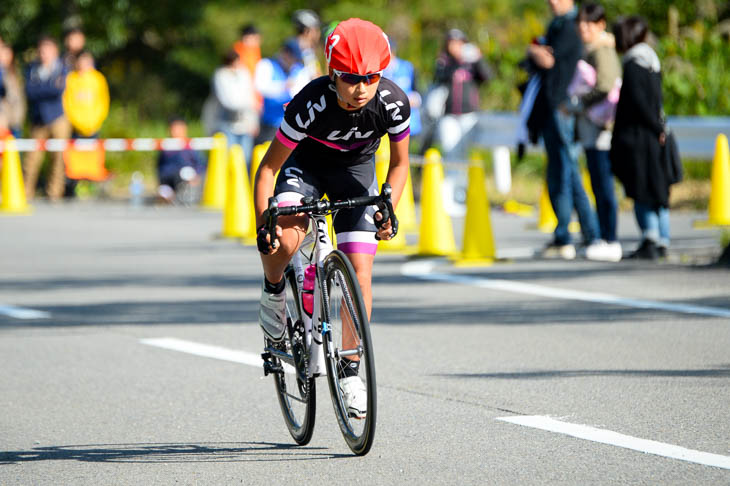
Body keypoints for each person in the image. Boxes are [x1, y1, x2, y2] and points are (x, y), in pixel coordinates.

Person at [253, 18, 410, 417]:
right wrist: (263, 226)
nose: (361, 89)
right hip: (303, 169)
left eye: (371, 78)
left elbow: (400, 163)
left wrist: (388, 204)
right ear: (332, 74)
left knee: (360, 273)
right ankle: (273, 293)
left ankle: (351, 371)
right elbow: (268, 171)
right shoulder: (310, 103)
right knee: (287, 240)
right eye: (351, 79)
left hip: (354, 174)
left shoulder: (392, 102)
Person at [527, 0, 605, 261]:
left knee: (568, 173)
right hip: (552, 109)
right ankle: (565, 235)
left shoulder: (570, 26)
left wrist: (538, 53)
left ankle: (591, 234)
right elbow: (542, 59)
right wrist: (537, 53)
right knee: (558, 174)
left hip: (562, 109)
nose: (551, 1)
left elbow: (551, 61)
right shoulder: (557, 24)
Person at [610, 16, 669, 260]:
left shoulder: (633, 64)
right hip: (653, 135)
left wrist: (654, 127)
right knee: (658, 189)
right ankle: (663, 239)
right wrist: (660, 128)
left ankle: (650, 239)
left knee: (641, 189)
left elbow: (639, 103)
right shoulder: (652, 61)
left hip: (637, 137)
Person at [571, 2, 623, 262]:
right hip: (593, 125)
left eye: (588, 23)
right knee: (598, 182)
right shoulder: (591, 48)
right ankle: (603, 237)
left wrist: (579, 103)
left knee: (603, 184)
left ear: (600, 24)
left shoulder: (602, 49)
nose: (583, 28)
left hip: (602, 125)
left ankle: (610, 239)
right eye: (581, 23)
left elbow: (605, 84)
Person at [432, 28, 493, 161]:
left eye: (459, 43)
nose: (456, 46)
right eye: (452, 43)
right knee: (450, 151)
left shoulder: (472, 62)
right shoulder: (443, 61)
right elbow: (438, 78)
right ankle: (452, 180)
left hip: (469, 114)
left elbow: (488, 77)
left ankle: (462, 180)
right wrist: (457, 61)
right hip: (448, 114)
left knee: (465, 152)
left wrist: (478, 58)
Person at [24, 35, 71, 201]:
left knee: (58, 158)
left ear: (54, 51)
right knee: (31, 159)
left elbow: (58, 90)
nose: (43, 54)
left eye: (47, 50)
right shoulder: (32, 69)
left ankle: (54, 192)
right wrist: (49, 88)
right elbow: (30, 92)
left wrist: (42, 89)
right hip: (38, 119)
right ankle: (26, 192)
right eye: (41, 51)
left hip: (58, 118)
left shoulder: (62, 68)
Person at [202, 49, 258, 161]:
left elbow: (250, 96)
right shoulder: (220, 76)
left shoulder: (243, 73)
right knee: (228, 158)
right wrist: (248, 105)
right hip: (225, 124)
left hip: (245, 125)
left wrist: (253, 122)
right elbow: (228, 102)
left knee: (245, 159)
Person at [253, 39, 309, 145]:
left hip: (291, 125)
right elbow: (260, 87)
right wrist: (283, 86)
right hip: (269, 123)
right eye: (293, 57)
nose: (294, 62)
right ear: (285, 53)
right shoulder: (267, 64)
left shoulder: (299, 70)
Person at [156, 116, 206, 204]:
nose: (176, 132)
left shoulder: (191, 146)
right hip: (170, 180)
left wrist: (196, 175)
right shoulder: (166, 148)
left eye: (179, 128)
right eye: (174, 129)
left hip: (188, 179)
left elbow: (201, 164)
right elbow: (160, 169)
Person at [383, 38, 422, 148]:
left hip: (408, 122)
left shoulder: (408, 67)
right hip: (385, 123)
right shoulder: (378, 71)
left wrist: (414, 99)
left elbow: (417, 93)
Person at [62, 51, 109, 138]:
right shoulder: (71, 79)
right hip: (75, 128)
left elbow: (103, 103)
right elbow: (67, 103)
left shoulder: (98, 79)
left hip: (94, 127)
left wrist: (96, 123)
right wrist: (76, 123)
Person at [0, 42, 26, 139]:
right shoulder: (1, 72)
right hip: (3, 121)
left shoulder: (16, 72)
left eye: (8, 54)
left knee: (15, 152)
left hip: (15, 120)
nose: (5, 57)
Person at [292, 9, 322, 80]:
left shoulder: (289, 50)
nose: (318, 33)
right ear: (307, 31)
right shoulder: (307, 54)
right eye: (316, 29)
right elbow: (316, 79)